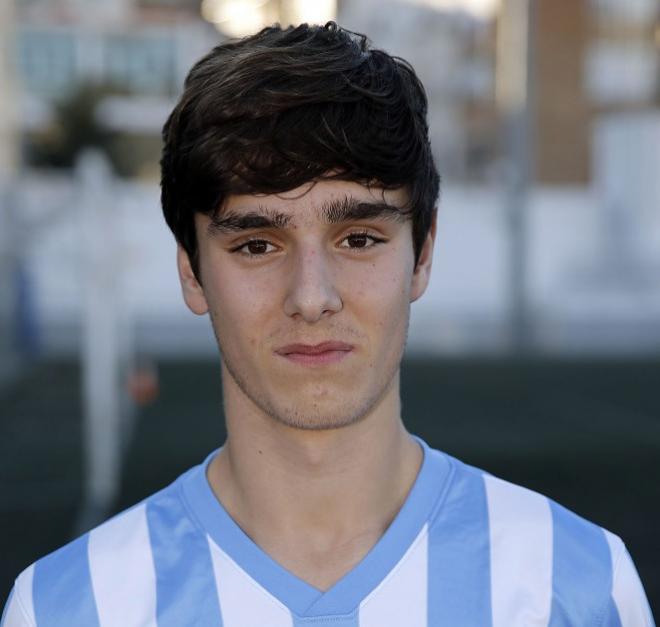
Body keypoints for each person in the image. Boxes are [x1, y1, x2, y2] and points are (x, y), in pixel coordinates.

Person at [2, 22, 655, 627]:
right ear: (192, 272)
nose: (311, 297)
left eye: (360, 238)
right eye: (257, 244)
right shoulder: (70, 606)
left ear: (422, 254)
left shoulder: (573, 586)